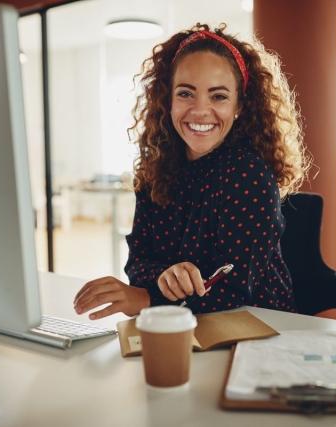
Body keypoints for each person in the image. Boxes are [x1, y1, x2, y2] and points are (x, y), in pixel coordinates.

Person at [74, 23, 310, 320]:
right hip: (182, 325)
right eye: (186, 93)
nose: (200, 111)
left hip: (257, 327)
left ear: (240, 105)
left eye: (218, 96)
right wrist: (164, 276)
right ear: (167, 100)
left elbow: (234, 290)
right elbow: (138, 262)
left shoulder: (250, 173)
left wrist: (148, 297)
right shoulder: (156, 168)